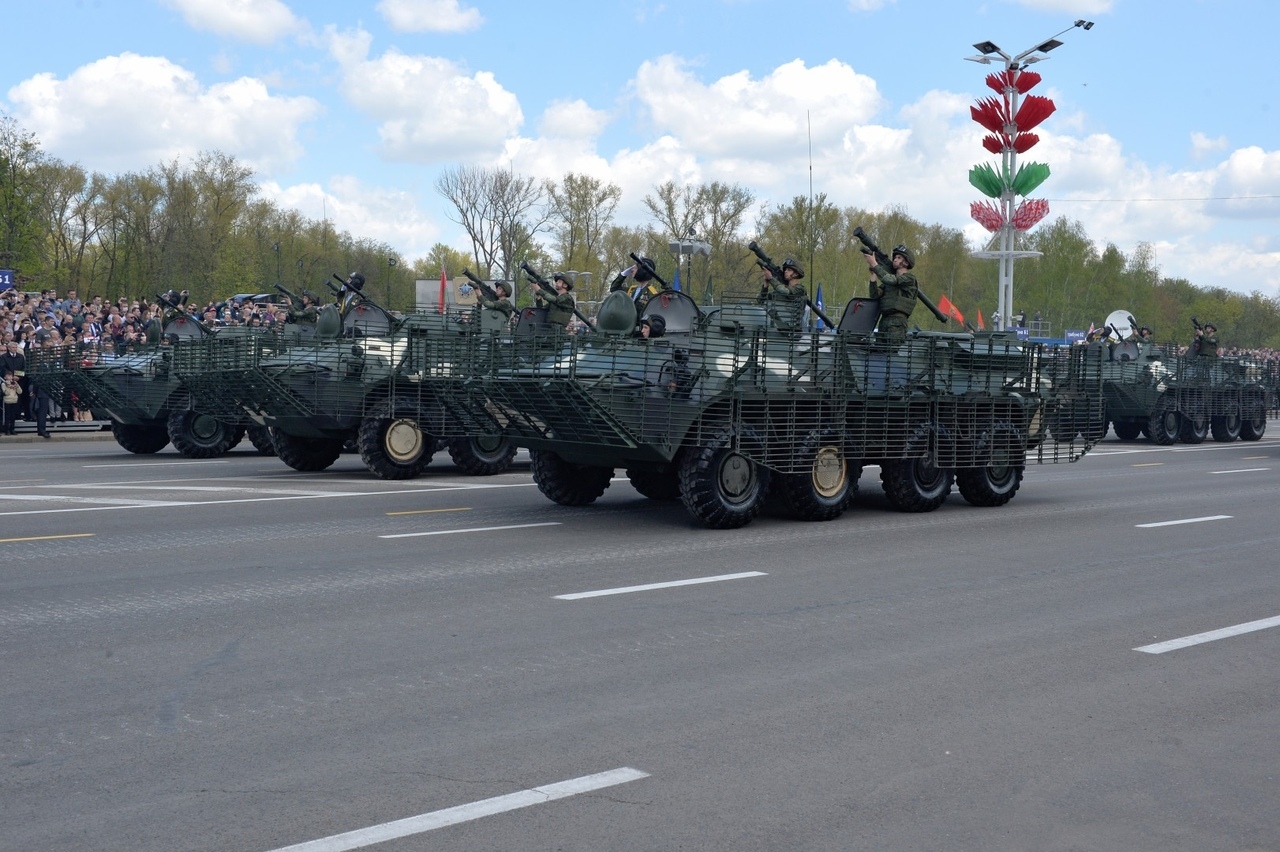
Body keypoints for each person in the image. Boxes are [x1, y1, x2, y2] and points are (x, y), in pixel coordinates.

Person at [865, 244, 918, 345]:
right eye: (895, 257)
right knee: (879, 353)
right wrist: (873, 274)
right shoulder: (889, 282)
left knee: (891, 355)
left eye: (899, 258)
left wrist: (874, 264)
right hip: (884, 320)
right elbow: (874, 295)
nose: (895, 259)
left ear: (906, 262)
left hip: (897, 323)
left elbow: (890, 280)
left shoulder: (909, 279)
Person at [2, 369, 22, 434]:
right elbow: (6, 393)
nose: (10, 377)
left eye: (11, 376)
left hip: (14, 401)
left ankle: (12, 429)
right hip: (7, 401)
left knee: (13, 416)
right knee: (7, 416)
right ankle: (6, 429)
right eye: (8, 376)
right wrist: (8, 386)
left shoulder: (15, 383)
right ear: (5, 377)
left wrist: (17, 386)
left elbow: (20, 392)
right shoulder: (3, 384)